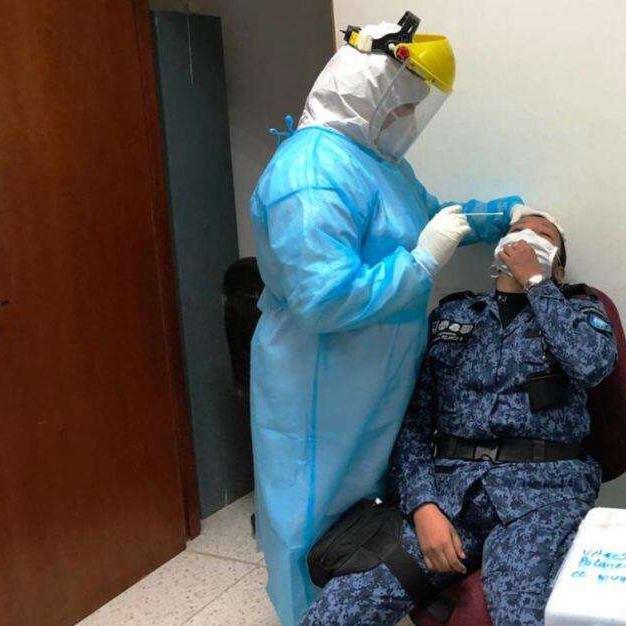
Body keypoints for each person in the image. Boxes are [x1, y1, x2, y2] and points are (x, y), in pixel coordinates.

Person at [249, 13, 524, 625]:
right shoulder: (310, 172)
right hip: (317, 383)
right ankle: (306, 616)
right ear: (368, 94)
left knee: (362, 508)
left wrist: (504, 216)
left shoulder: (378, 163)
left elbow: (431, 217)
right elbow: (323, 300)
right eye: (402, 106)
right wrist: (423, 261)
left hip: (373, 377)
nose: (407, 119)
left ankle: (355, 607)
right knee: (309, 512)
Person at [301, 210, 618, 626]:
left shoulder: (580, 311)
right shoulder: (454, 316)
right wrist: (422, 506)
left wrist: (537, 283)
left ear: (558, 265)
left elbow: (592, 366)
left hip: (543, 493)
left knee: (522, 616)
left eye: (543, 235)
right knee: (340, 608)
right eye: (518, 230)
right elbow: (414, 424)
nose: (527, 237)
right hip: (451, 492)